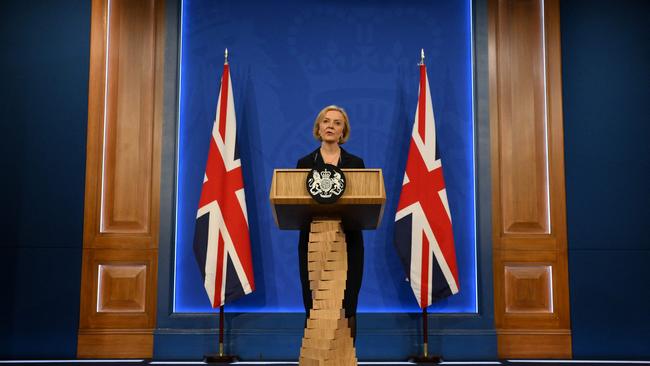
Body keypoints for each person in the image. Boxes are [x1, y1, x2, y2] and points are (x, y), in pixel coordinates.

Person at [296, 105, 365, 342]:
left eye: (337, 123)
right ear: (318, 127)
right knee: (314, 300)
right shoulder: (305, 163)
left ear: (343, 130)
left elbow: (363, 202)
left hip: (349, 241)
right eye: (326, 122)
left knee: (348, 301)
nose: (330, 126)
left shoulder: (356, 163)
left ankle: (346, 356)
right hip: (313, 241)